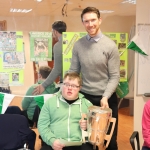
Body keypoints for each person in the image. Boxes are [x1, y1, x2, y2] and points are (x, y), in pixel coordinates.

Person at [69, 7, 120, 150]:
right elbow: (74, 71)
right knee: (86, 140)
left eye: (93, 20)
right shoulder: (78, 45)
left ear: (99, 20)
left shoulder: (110, 46)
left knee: (109, 140)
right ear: (82, 23)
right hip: (85, 98)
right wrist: (69, 89)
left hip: (107, 99)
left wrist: (105, 96)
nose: (90, 24)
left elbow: (115, 76)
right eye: (86, 21)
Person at [38, 72, 97, 150]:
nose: (70, 88)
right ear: (62, 85)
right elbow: (42, 125)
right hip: (56, 143)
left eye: (73, 86)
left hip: (79, 143)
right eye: (66, 84)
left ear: (80, 88)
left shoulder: (87, 105)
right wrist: (52, 141)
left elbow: (96, 128)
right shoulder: (50, 103)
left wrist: (88, 127)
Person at [33, 21, 67, 95]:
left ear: (55, 31)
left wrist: (43, 85)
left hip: (66, 84)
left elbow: (57, 69)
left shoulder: (58, 45)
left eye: (52, 32)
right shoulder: (72, 42)